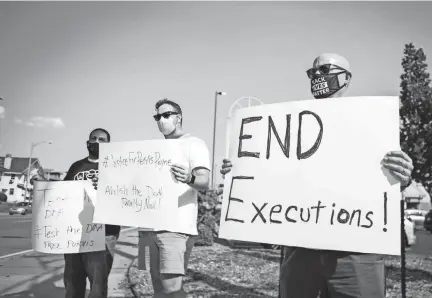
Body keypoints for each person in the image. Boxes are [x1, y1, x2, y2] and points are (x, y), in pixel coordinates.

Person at [218, 53, 414, 298]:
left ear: (347, 78)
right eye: (313, 72)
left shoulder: (372, 121)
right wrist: (240, 168)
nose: (318, 76)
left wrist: (402, 176)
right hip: (301, 250)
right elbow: (271, 177)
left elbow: (392, 177)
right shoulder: (287, 124)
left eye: (326, 69)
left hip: (356, 253)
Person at [138, 98, 211, 298]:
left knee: (172, 289)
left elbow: (204, 181)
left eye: (166, 115)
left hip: (175, 227)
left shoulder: (193, 143)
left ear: (178, 117)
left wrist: (190, 177)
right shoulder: (154, 150)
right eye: (157, 116)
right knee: (158, 288)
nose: (161, 120)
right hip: (150, 227)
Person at [63, 128, 121, 298]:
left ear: (109, 145)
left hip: (104, 233)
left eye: (102, 139)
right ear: (87, 142)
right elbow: (62, 192)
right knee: (73, 282)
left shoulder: (116, 167)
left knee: (98, 285)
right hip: (76, 234)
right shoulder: (77, 166)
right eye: (93, 138)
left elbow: (124, 195)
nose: (97, 142)